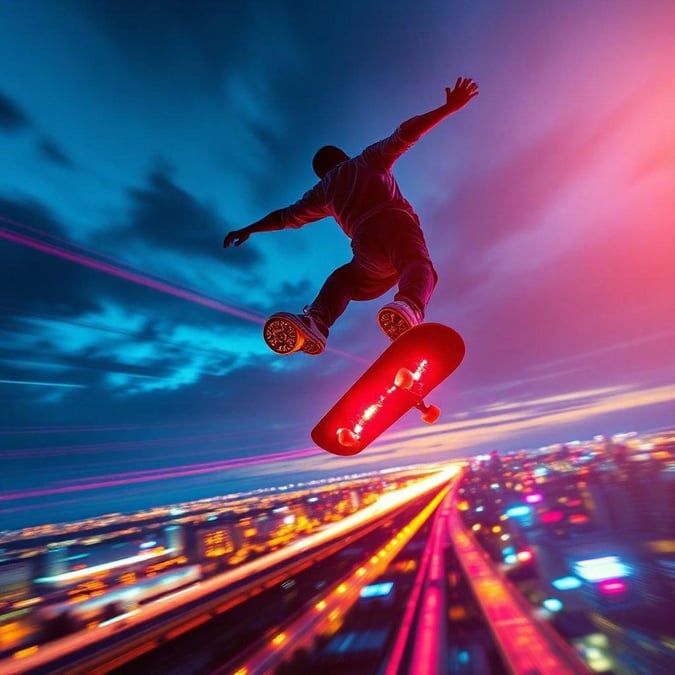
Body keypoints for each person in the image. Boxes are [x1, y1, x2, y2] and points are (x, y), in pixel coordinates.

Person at [224, 76, 479, 355]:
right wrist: (448, 108)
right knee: (418, 264)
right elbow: (406, 134)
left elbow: (285, 217)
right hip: (394, 223)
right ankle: (409, 304)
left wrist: (247, 229)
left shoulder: (323, 191)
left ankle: (317, 321)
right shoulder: (367, 160)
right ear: (344, 156)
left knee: (345, 279)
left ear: (321, 174)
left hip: (365, 243)